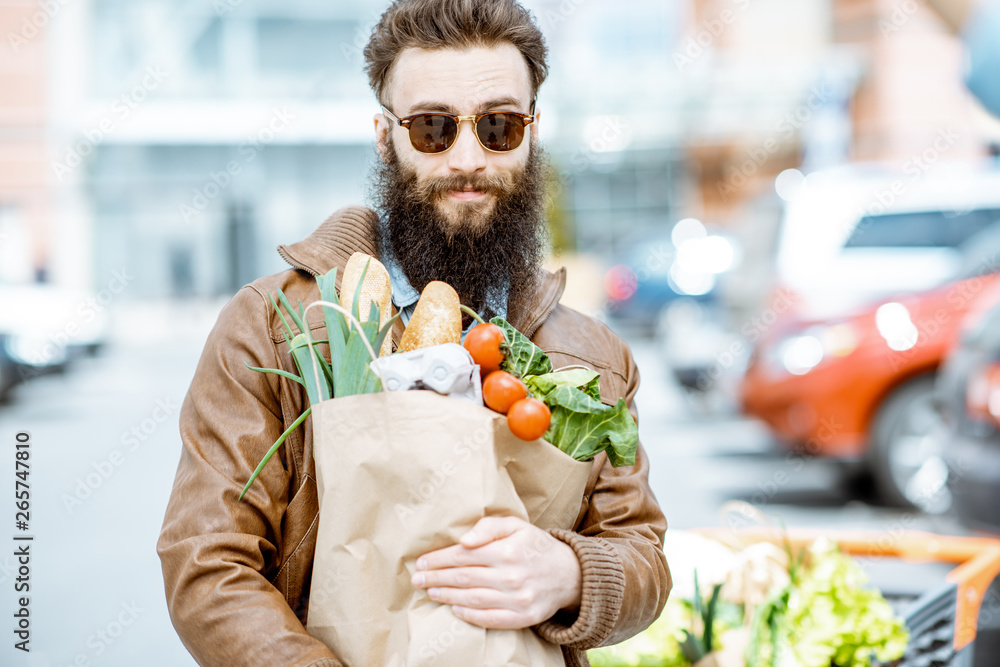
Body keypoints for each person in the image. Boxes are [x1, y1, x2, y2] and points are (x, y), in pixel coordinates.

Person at [156, 1, 671, 665]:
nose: (466, 158)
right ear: (384, 135)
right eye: (432, 127)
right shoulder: (269, 325)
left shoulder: (592, 356)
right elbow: (207, 565)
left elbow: (643, 555)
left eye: (499, 126)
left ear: (533, 132)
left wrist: (572, 574)